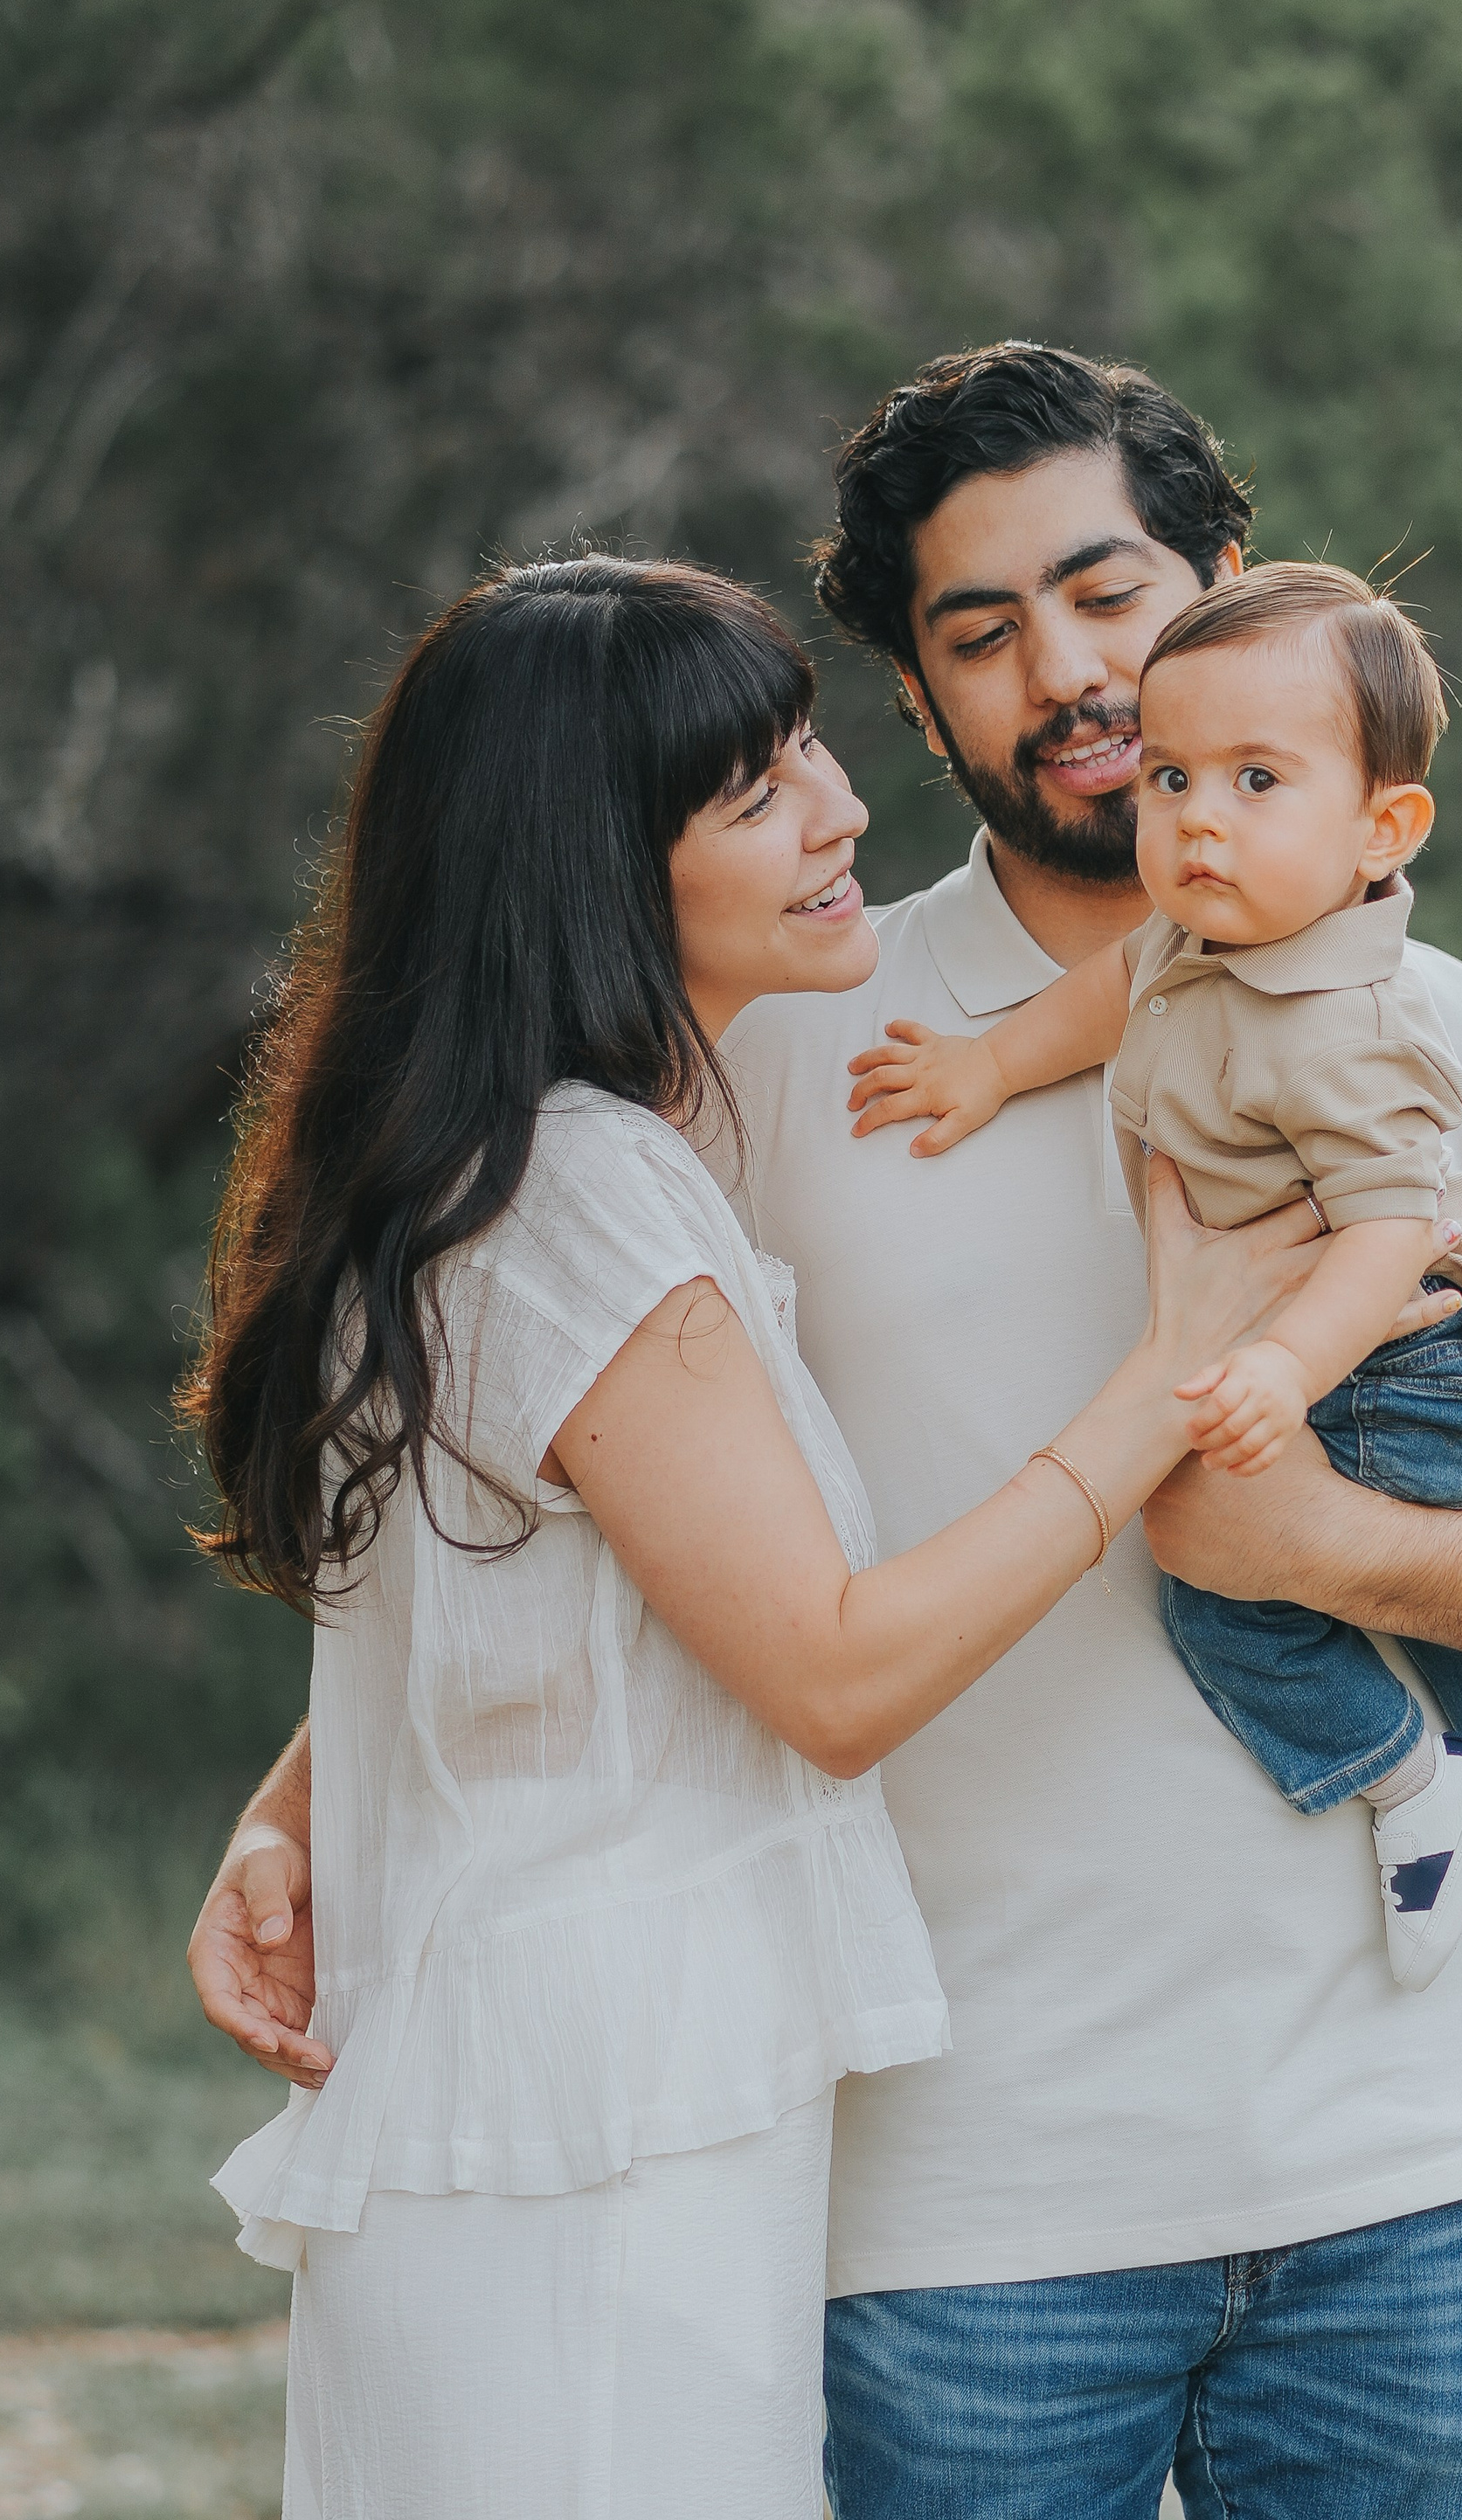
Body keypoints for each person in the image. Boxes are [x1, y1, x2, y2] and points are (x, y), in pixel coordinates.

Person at [194, 345, 1462, 2520]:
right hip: (952, 2208)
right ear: (911, 702)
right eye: (977, 636)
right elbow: (599, 1498)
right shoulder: (795, 1047)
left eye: (1108, 597)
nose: (1069, 676)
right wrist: (307, 1805)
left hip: (1399, 2166)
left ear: (1232, 593)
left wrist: (1304, 1548)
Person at [180, 553, 1313, 2520]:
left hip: (556, 2094)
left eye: (808, 748)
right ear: (591, 865)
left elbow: (525, 1596)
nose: (841, 810)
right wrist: (1169, 1380)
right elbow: (831, 1671)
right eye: (752, 789)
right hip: (598, 2130)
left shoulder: (491, 1155)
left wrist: (294, 1807)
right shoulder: (583, 1189)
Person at [846, 557, 1462, 2002]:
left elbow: (1387, 1234)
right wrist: (984, 1064)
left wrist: (1282, 1373)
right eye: (1170, 779)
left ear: (1381, 830)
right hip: (1356, 1346)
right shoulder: (1203, 938)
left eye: (1257, 781)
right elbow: (1109, 997)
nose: (1197, 818)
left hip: (1425, 1356)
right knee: (1332, 1560)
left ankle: (1426, 1796)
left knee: (1231, 1585)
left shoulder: (1354, 1029)